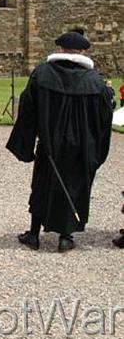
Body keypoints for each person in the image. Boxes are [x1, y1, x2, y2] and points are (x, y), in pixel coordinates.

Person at [6, 32, 113, 252]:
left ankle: (34, 235)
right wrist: (96, 150)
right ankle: (66, 237)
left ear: (61, 49)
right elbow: (103, 119)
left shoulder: (43, 74)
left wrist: (28, 142)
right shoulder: (95, 81)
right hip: (81, 147)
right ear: (83, 51)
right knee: (74, 186)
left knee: (42, 185)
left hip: (49, 143)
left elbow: (28, 109)